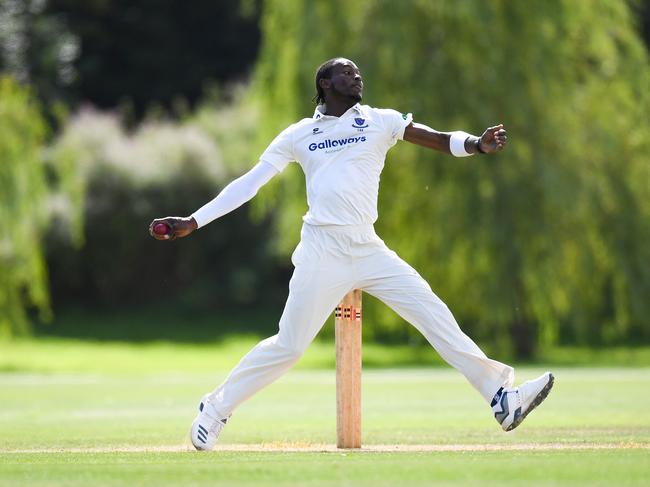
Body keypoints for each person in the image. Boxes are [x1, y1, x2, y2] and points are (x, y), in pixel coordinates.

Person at [149, 58, 554, 451]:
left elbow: (438, 139)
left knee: (433, 313)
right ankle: (214, 409)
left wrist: (477, 146)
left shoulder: (379, 120)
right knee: (288, 347)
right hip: (322, 249)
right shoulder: (299, 134)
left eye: (358, 72)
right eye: (346, 71)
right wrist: (193, 220)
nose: (356, 75)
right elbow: (250, 184)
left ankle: (500, 398)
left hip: (366, 247)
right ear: (324, 83)